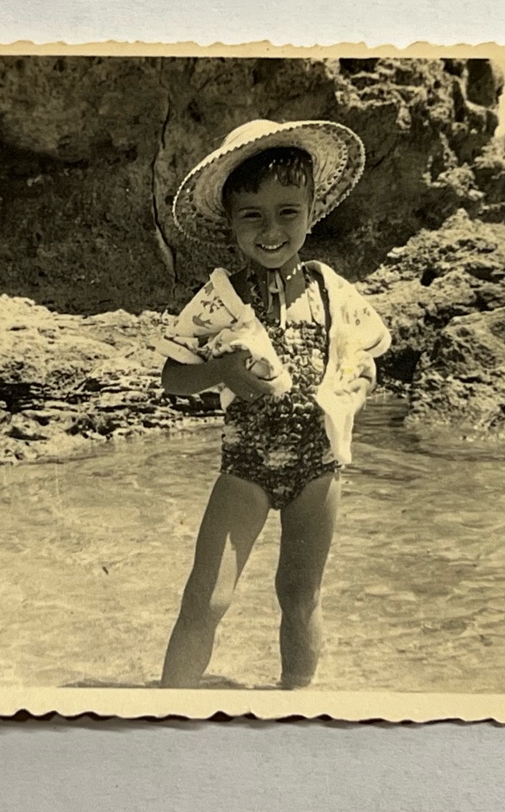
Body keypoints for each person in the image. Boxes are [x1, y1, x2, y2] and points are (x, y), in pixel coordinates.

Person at [155, 119, 391, 689]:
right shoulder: (220, 297)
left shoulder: (334, 291)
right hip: (246, 468)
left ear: (311, 212)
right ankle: (164, 712)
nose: (271, 230)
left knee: (300, 597)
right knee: (206, 598)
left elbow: (367, 364)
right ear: (230, 225)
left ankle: (296, 706)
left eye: (288, 212)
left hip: (319, 470)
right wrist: (223, 370)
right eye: (252, 217)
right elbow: (172, 377)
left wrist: (358, 386)